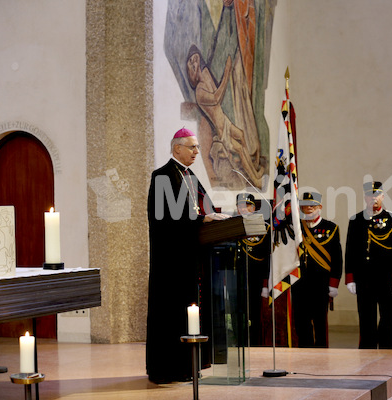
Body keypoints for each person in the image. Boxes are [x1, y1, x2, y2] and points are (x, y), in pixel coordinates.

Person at [146, 127, 227, 384]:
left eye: (197, 147)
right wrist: (203, 218)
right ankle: (169, 368)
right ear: (176, 148)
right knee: (172, 314)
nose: (196, 151)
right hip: (171, 261)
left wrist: (218, 217)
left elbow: (205, 206)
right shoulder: (162, 176)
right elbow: (164, 219)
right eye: (192, 147)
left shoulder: (190, 176)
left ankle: (191, 364)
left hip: (192, 257)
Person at [186, 45, 264, 187]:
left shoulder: (205, 78)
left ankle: (252, 170)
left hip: (225, 120)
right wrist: (227, 71)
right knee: (239, 149)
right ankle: (256, 180)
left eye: (195, 59)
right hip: (221, 129)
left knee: (241, 135)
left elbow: (213, 87)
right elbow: (217, 99)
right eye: (191, 62)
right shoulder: (199, 91)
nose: (193, 63)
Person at [345, 182, 392, 349]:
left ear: (382, 197)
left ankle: (387, 352)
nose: (374, 199)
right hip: (363, 279)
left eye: (377, 195)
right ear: (365, 198)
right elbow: (350, 251)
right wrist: (350, 278)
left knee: (387, 318)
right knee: (366, 318)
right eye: (370, 196)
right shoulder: (356, 220)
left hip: (386, 279)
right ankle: (367, 353)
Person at [292, 191, 343, 348]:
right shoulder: (295, 228)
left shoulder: (331, 228)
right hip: (299, 284)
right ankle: (304, 353)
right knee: (301, 323)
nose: (308, 209)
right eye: (305, 206)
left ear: (320, 206)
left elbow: (337, 259)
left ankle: (321, 354)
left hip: (321, 284)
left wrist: (333, 284)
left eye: (312, 205)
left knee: (320, 322)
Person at [234, 193, 270, 346]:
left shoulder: (264, 227)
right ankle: (238, 343)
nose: (244, 208)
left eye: (247, 205)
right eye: (240, 206)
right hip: (234, 277)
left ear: (254, 208)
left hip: (255, 278)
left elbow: (268, 257)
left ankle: (255, 344)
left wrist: (265, 284)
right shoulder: (231, 226)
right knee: (237, 314)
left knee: (254, 314)